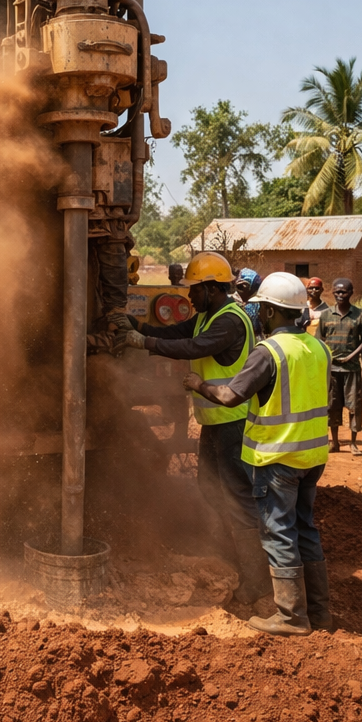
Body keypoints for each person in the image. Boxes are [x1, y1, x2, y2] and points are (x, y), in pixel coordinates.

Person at [183, 271, 332, 636]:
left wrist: (199, 384)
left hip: (277, 457)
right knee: (305, 529)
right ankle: (320, 612)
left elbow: (231, 395)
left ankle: (292, 617)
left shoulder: (270, 352)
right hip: (312, 457)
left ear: (268, 311)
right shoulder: (318, 348)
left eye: (261, 308)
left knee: (277, 531)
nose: (259, 314)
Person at [120, 251, 268, 614]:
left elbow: (192, 348)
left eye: (193, 290)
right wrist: (133, 327)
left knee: (237, 498)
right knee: (209, 487)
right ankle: (232, 550)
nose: (188, 297)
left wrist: (143, 344)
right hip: (216, 423)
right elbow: (172, 332)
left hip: (233, 422)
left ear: (212, 289)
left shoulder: (229, 321)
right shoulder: (206, 316)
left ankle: (256, 580)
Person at [316, 278, 362, 454]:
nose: (340, 295)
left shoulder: (361, 315)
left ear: (351, 293)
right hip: (331, 370)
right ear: (332, 292)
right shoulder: (325, 315)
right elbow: (319, 340)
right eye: (337, 292)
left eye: (344, 292)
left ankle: (353, 443)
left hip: (352, 369)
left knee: (354, 405)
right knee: (332, 406)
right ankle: (335, 441)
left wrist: (352, 356)